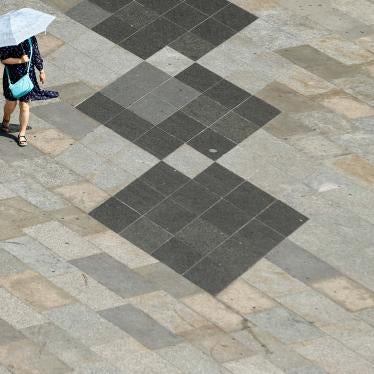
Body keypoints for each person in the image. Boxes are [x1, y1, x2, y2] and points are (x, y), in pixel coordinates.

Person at [0, 35, 58, 146]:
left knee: (25, 105)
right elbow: (3, 59)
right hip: (12, 77)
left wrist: (41, 70)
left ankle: (22, 134)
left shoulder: (31, 38)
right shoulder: (7, 40)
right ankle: (6, 120)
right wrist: (20, 60)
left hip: (28, 76)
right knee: (11, 104)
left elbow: (35, 54)